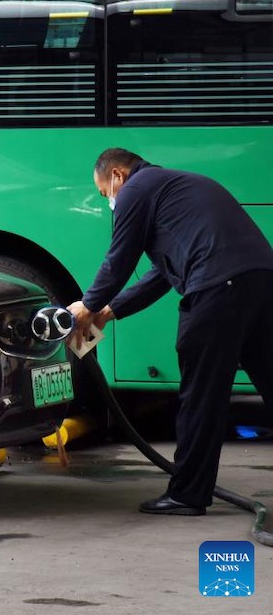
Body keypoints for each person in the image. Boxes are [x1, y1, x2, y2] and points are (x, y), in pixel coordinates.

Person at [67, 148, 273, 516]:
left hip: (217, 288)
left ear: (117, 175)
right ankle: (190, 490)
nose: (109, 202)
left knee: (201, 397)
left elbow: (119, 259)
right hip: (261, 281)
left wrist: (88, 304)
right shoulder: (177, 187)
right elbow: (162, 275)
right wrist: (110, 311)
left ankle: (187, 494)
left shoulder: (135, 190)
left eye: (104, 194)